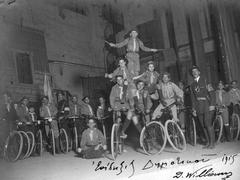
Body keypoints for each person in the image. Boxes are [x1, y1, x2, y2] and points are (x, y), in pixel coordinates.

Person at [190, 66, 215, 149]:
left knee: (208, 124)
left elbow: (212, 93)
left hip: (206, 104)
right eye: (193, 71)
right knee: (202, 125)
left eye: (196, 71)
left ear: (199, 72)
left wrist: (212, 104)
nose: (194, 73)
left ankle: (212, 143)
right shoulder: (192, 84)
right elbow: (193, 98)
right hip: (198, 107)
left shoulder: (205, 80)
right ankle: (208, 142)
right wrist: (193, 109)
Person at [0, 92, 18, 156]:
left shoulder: (12, 106)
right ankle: (4, 153)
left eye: (6, 97)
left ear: (9, 97)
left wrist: (16, 120)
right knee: (4, 138)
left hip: (12, 124)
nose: (5, 98)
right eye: (4, 97)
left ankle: (12, 152)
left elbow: (15, 115)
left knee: (12, 138)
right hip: (4, 125)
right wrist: (2, 119)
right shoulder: (1, 106)